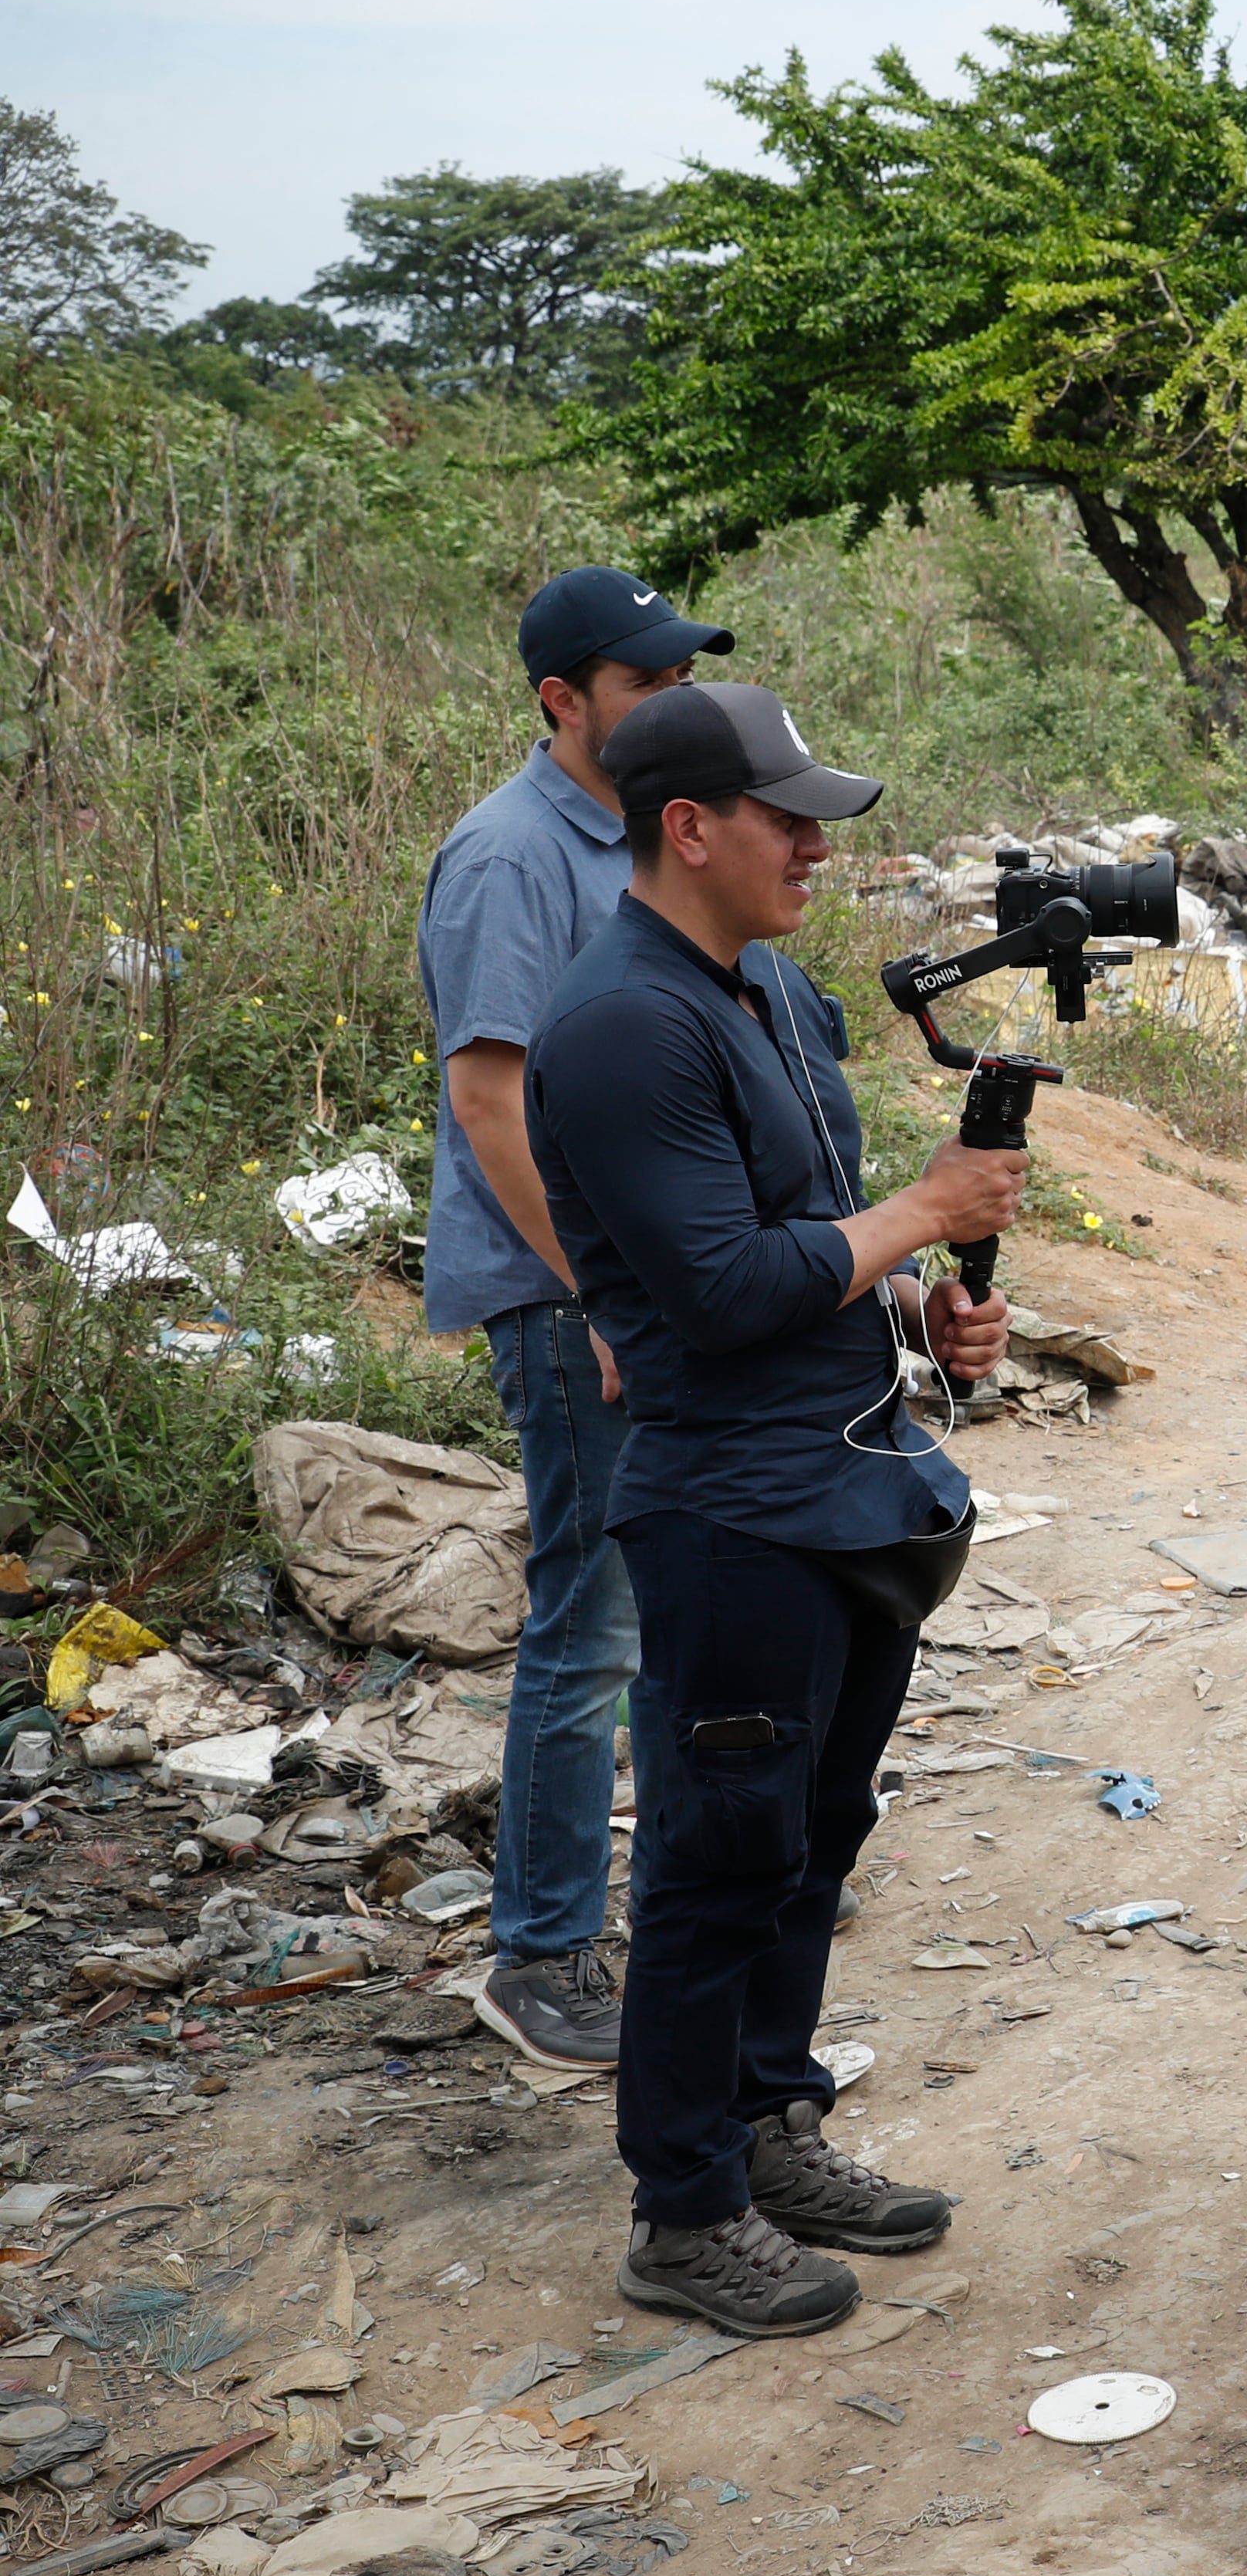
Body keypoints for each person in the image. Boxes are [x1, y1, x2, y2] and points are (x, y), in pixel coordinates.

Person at [525, 681, 1023, 2341]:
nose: (819, 843)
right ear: (688, 827)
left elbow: (818, 1239)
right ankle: (684, 2204)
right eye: (788, 815)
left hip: (843, 1484)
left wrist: (928, 1309)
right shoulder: (618, 1026)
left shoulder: (775, 997)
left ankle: (768, 2119)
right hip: (732, 1508)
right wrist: (924, 1207)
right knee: (714, 1850)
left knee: (816, 1830)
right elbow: (729, 1289)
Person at [416, 566, 732, 2071]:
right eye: (644, 682)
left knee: (667, 1604)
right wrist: (606, 1288)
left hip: (640, 1288)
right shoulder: (508, 858)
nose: (673, 700)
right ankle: (537, 1957)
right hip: (565, 1298)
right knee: (588, 1619)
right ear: (564, 699)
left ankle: (652, 1914)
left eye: (682, 677)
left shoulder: (641, 839)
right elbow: (491, 1099)